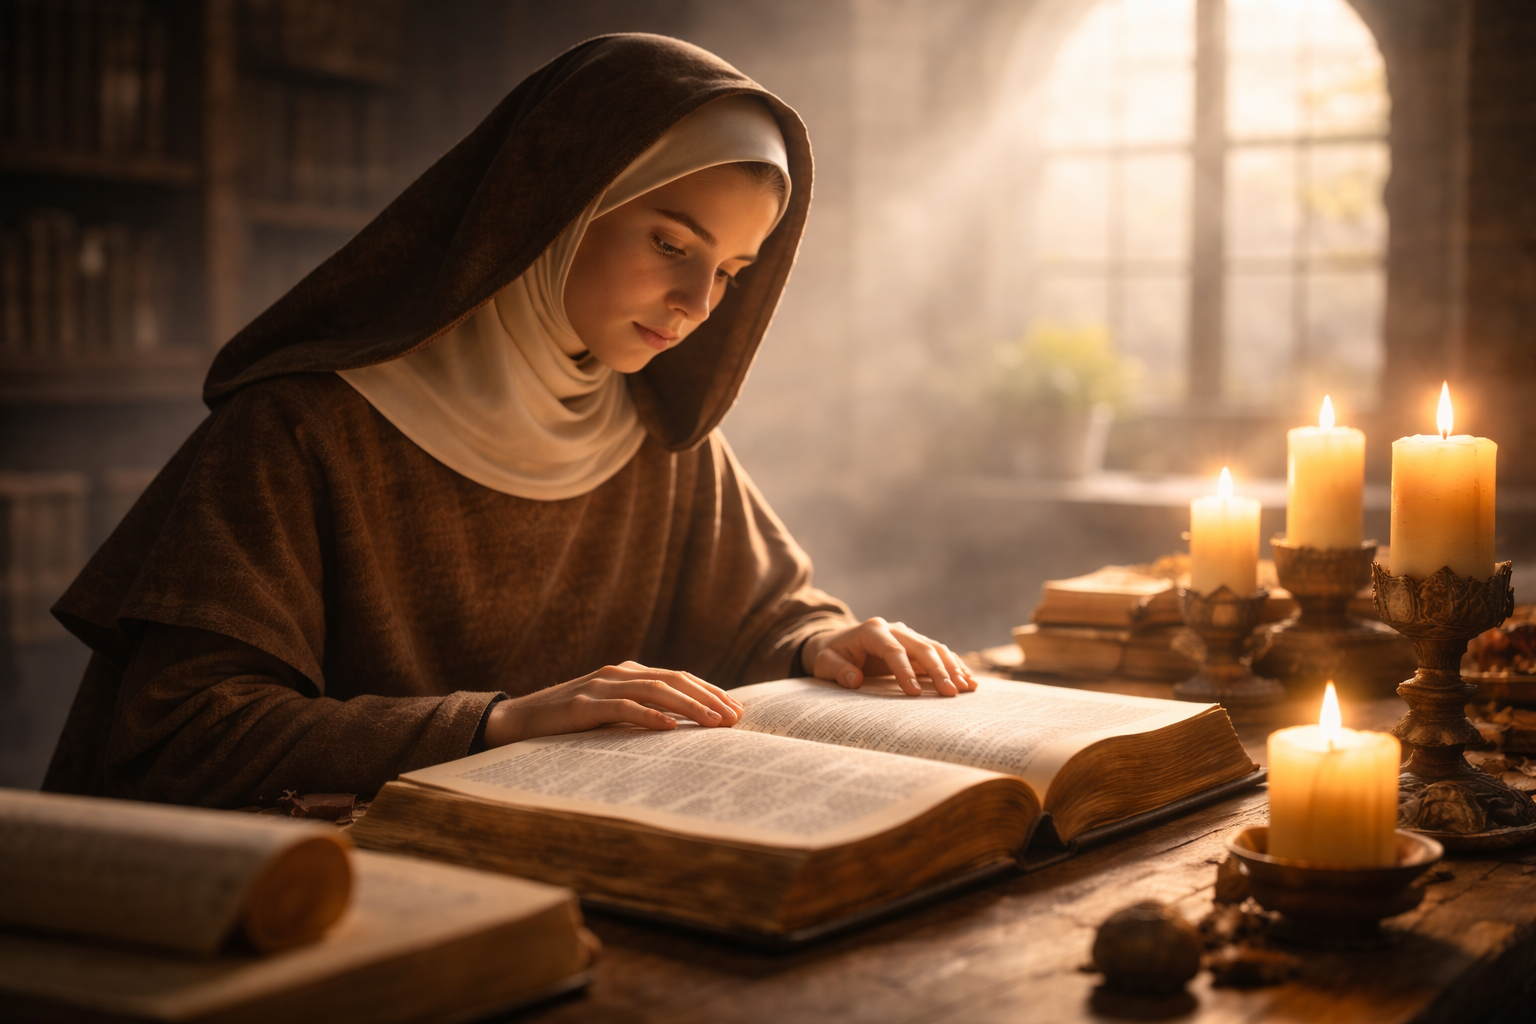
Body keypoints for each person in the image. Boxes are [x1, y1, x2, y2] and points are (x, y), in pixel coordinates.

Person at [43, 33, 975, 809]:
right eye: (670, 242)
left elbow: (757, 612)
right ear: (557, 209)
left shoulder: (654, 433)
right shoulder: (298, 430)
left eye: (731, 271)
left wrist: (817, 644)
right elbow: (179, 739)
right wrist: (496, 723)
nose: (697, 301)